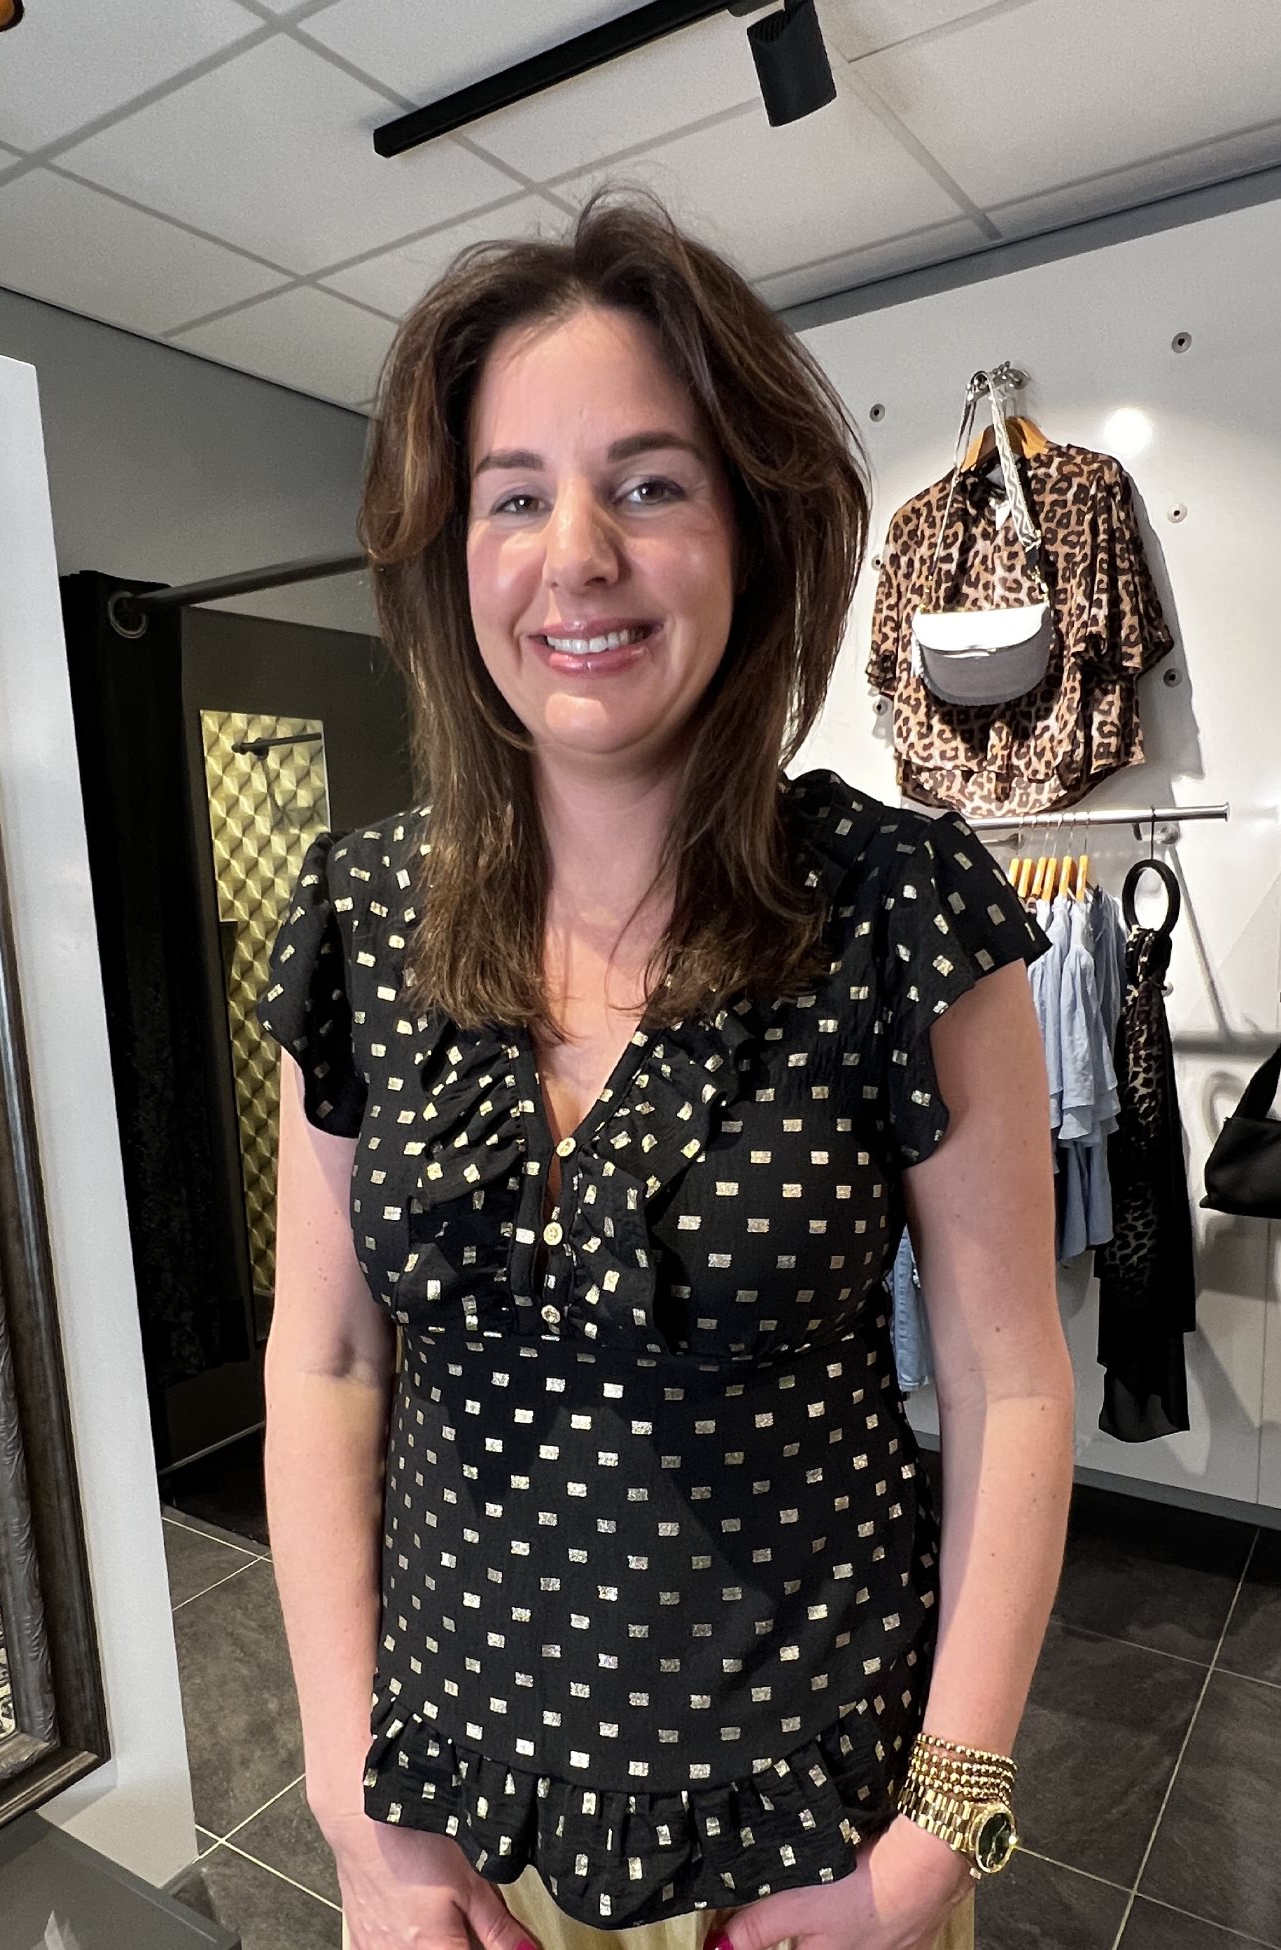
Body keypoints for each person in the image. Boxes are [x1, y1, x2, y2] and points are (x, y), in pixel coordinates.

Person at [258, 188, 1074, 1950]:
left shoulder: (898, 907)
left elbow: (1011, 1380)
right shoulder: (364, 915)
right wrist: (347, 1800)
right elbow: (324, 1361)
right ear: (450, 555)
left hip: (817, 1842)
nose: (576, 556)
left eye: (647, 485)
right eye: (514, 497)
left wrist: (934, 1840)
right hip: (448, 1837)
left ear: (751, 535)